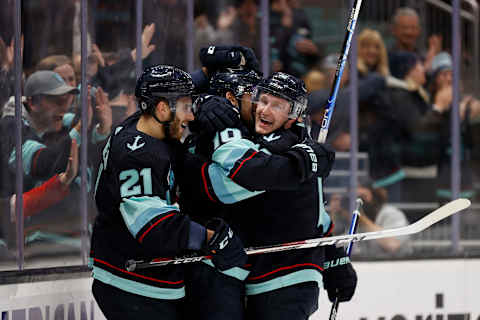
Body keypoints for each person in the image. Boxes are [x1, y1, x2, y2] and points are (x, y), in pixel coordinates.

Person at [182, 71, 356, 320]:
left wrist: (187, 166)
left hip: (286, 275)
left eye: (277, 106)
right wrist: (335, 260)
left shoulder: (281, 146)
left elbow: (225, 189)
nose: (265, 110)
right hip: (269, 275)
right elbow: (319, 212)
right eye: (263, 101)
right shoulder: (302, 146)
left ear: (293, 115)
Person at [89, 65, 247, 319]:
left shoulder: (147, 129)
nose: (191, 117)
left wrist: (211, 69)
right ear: (162, 108)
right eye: (185, 107)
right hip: (132, 283)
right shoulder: (137, 155)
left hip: (153, 279)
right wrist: (209, 238)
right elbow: (151, 225)